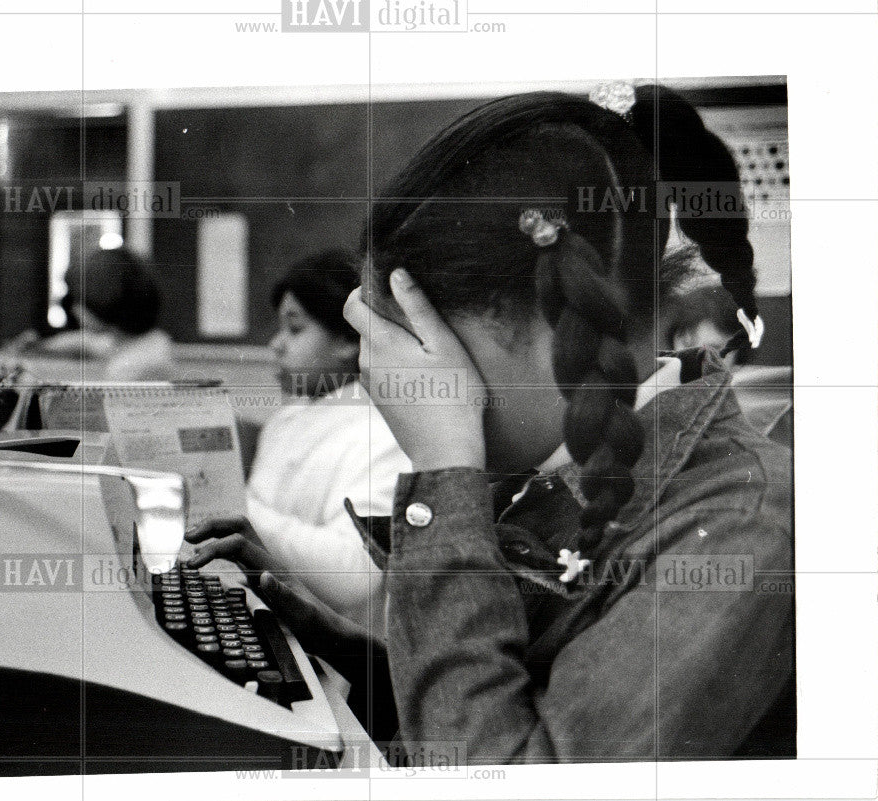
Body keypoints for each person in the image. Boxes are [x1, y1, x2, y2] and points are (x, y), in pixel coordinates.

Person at [187, 85, 794, 762]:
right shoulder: (566, 461)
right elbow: (494, 705)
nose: (404, 393)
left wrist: (445, 471)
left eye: (429, 353)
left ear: (557, 330)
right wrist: (330, 643)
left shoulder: (743, 521)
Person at [191, 250, 411, 629]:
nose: (276, 344)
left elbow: (356, 573)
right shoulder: (290, 416)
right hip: (262, 618)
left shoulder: (383, 432)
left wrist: (230, 503)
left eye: (295, 329)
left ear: (348, 340)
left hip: (336, 661)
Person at [664, 282, 793, 446]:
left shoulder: (763, 404)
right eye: (687, 343)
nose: (695, 358)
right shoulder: (652, 393)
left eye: (715, 349)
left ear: (740, 352)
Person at [61, 247, 176, 381]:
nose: (75, 309)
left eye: (80, 301)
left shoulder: (129, 368)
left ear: (102, 301)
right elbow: (85, 342)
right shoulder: (150, 340)